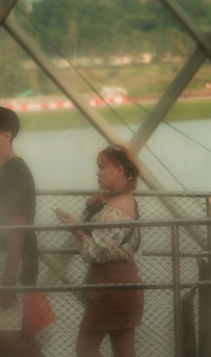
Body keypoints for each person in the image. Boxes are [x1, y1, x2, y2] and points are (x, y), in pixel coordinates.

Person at [56, 144, 143, 357]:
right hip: (127, 285)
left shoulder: (114, 210)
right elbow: (105, 239)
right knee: (124, 352)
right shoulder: (123, 200)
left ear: (119, 170)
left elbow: (95, 251)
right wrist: (95, 206)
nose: (98, 172)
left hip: (109, 287)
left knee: (85, 348)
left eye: (103, 167)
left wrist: (75, 229)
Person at [0, 106, 42, 357]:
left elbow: (17, 227)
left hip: (10, 264)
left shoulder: (14, 171)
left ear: (7, 135)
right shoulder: (1, 170)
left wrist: (9, 280)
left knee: (6, 341)